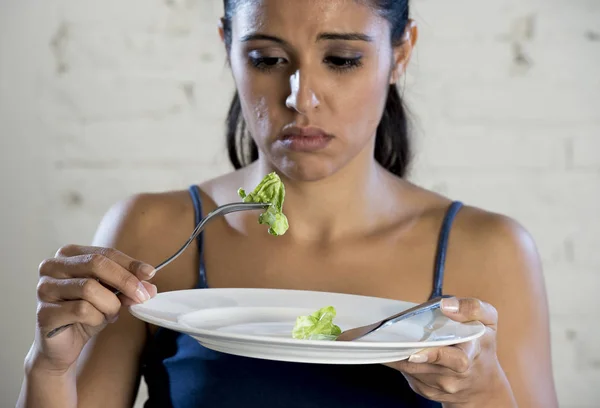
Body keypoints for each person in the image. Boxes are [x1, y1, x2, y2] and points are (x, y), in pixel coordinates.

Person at [17, 0, 559, 407]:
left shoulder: (489, 249)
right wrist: (49, 366)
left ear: (401, 52)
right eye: (267, 58)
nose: (301, 96)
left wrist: (485, 392)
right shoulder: (151, 229)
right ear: (227, 45)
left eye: (342, 59)